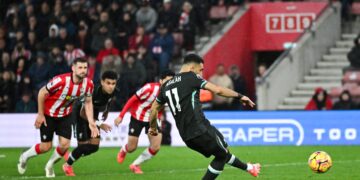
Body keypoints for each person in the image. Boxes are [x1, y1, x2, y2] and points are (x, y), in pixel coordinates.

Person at [148, 54, 261, 179]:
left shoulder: (166, 86)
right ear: (192, 67)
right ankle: (250, 168)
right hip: (199, 128)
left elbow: (153, 109)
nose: (201, 74)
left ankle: (250, 168)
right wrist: (240, 96)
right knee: (221, 155)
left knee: (222, 150)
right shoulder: (191, 77)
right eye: (200, 70)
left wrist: (153, 127)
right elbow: (217, 90)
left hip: (187, 136)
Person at [17, 58, 99, 178]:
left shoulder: (88, 84)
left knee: (65, 145)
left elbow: (88, 102)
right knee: (46, 147)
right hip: (48, 115)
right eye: (80, 68)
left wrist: (91, 122)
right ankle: (24, 156)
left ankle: (49, 165)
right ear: (73, 68)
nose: (83, 70)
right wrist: (40, 114)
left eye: (85, 68)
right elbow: (41, 93)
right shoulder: (61, 80)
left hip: (65, 115)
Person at [114, 70, 175, 174]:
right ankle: (124, 149)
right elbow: (132, 100)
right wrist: (121, 115)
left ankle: (135, 165)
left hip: (153, 119)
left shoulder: (172, 94)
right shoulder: (149, 88)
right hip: (137, 117)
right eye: (167, 81)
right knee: (132, 147)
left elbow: (163, 107)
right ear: (160, 81)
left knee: (155, 147)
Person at [62, 71, 118, 176]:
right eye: (108, 83)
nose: (111, 86)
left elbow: (109, 100)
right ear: (102, 82)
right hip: (80, 114)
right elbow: (83, 113)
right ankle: (67, 165)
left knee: (94, 147)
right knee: (82, 147)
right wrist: (100, 124)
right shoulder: (94, 92)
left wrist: (106, 111)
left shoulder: (114, 91)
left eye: (113, 83)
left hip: (94, 114)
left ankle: (71, 155)